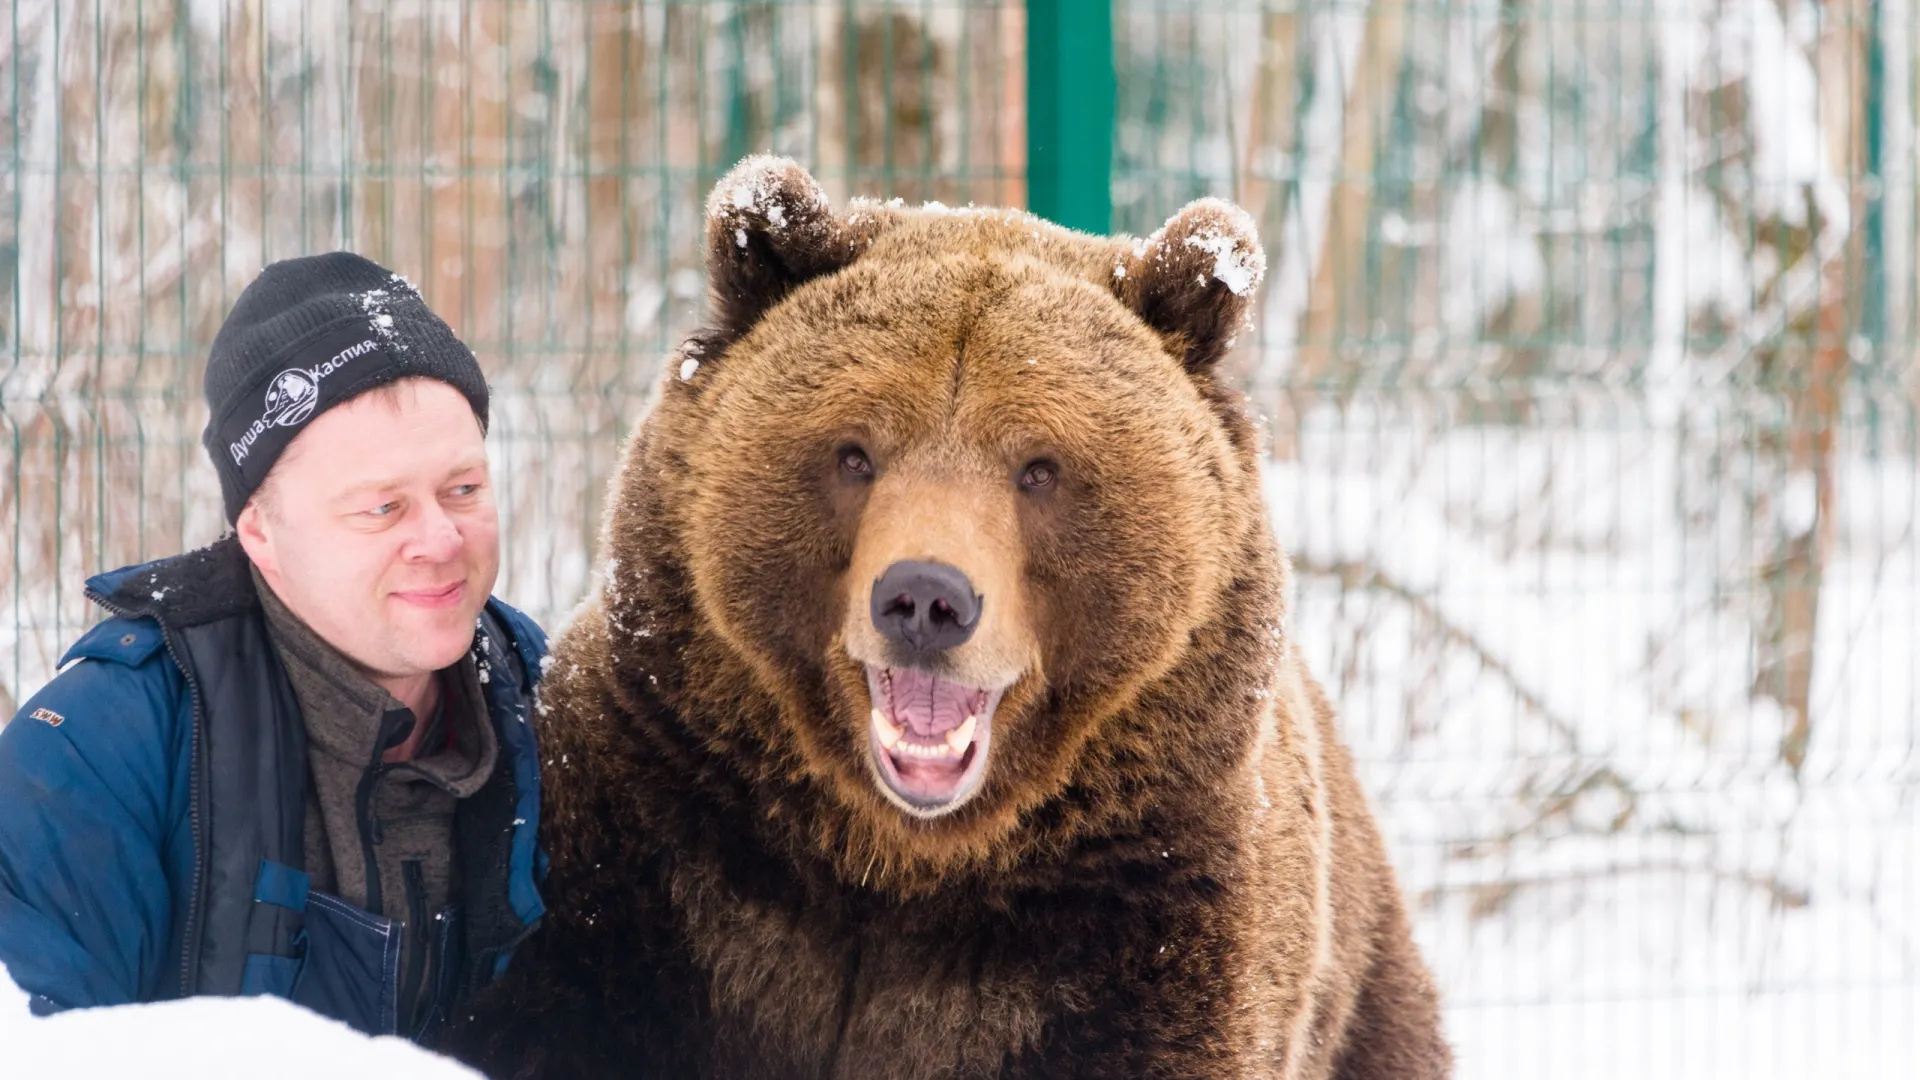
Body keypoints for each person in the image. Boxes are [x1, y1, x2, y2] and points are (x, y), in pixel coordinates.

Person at [0, 253, 548, 1045]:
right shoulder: (106, 746)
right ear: (260, 533)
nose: (440, 540)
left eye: (463, 489)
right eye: (382, 507)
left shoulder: (547, 708)